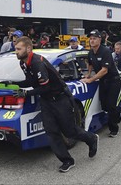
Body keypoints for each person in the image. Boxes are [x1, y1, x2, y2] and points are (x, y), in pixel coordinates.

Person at [10, 36, 99, 173]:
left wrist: (26, 94)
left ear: (28, 48)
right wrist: (14, 84)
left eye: (18, 49)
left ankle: (91, 139)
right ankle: (67, 160)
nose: (16, 51)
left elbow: (45, 87)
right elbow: (32, 82)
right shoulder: (23, 63)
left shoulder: (37, 63)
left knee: (69, 131)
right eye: (15, 48)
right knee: (51, 132)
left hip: (60, 98)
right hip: (46, 101)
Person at [81, 29, 121, 137]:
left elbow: (104, 70)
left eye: (94, 38)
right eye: (91, 39)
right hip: (103, 82)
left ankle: (114, 129)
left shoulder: (105, 51)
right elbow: (90, 63)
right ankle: (118, 112)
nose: (92, 41)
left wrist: (91, 79)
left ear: (99, 39)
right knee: (104, 105)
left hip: (113, 81)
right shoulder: (90, 52)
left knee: (111, 105)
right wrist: (88, 74)